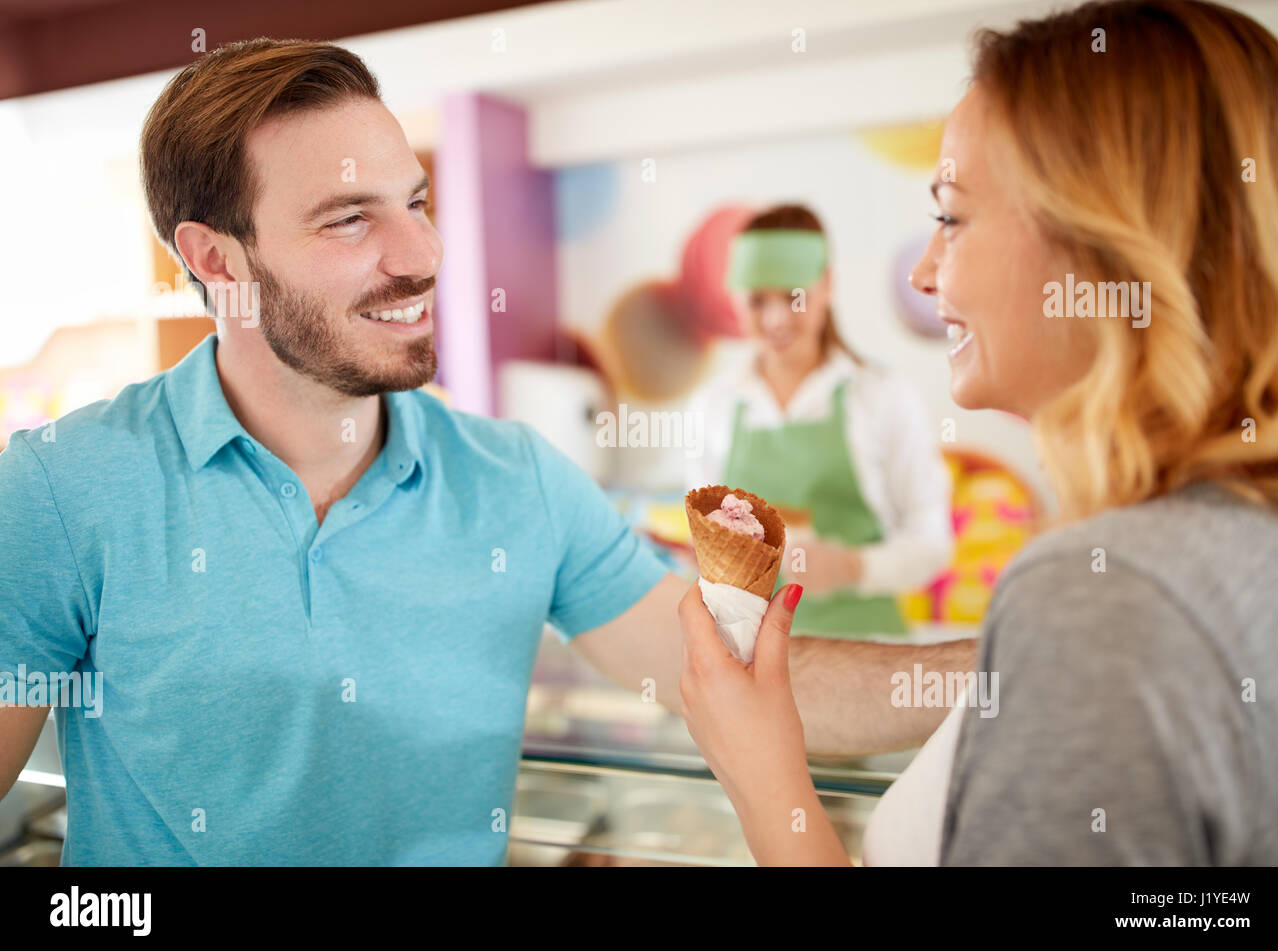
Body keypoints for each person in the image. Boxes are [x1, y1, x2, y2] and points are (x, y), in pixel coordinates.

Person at [0, 38, 980, 865]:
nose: (420, 253)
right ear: (217, 259)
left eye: (415, 202)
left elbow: (742, 677)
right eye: (351, 219)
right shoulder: (60, 491)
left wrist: (1005, 664)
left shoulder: (520, 481)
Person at [677, 0, 1278, 866]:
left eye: (951, 215)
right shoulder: (1240, 542)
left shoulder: (1107, 593)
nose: (926, 271)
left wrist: (762, 777)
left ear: (1102, 240)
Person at [685, 205, 953, 639]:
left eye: (793, 295)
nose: (775, 319)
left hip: (865, 651)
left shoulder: (881, 395)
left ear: (827, 286)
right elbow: (700, 547)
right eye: (757, 300)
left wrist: (853, 567)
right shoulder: (712, 405)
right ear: (733, 298)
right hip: (746, 654)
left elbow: (931, 544)